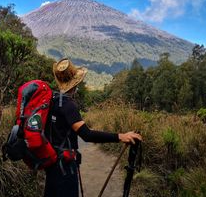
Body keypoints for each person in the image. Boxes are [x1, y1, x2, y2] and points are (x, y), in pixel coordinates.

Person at [44, 58, 142, 197]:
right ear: (75, 83)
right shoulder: (68, 105)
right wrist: (121, 136)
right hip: (64, 166)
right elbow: (87, 135)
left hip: (51, 162)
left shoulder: (52, 100)